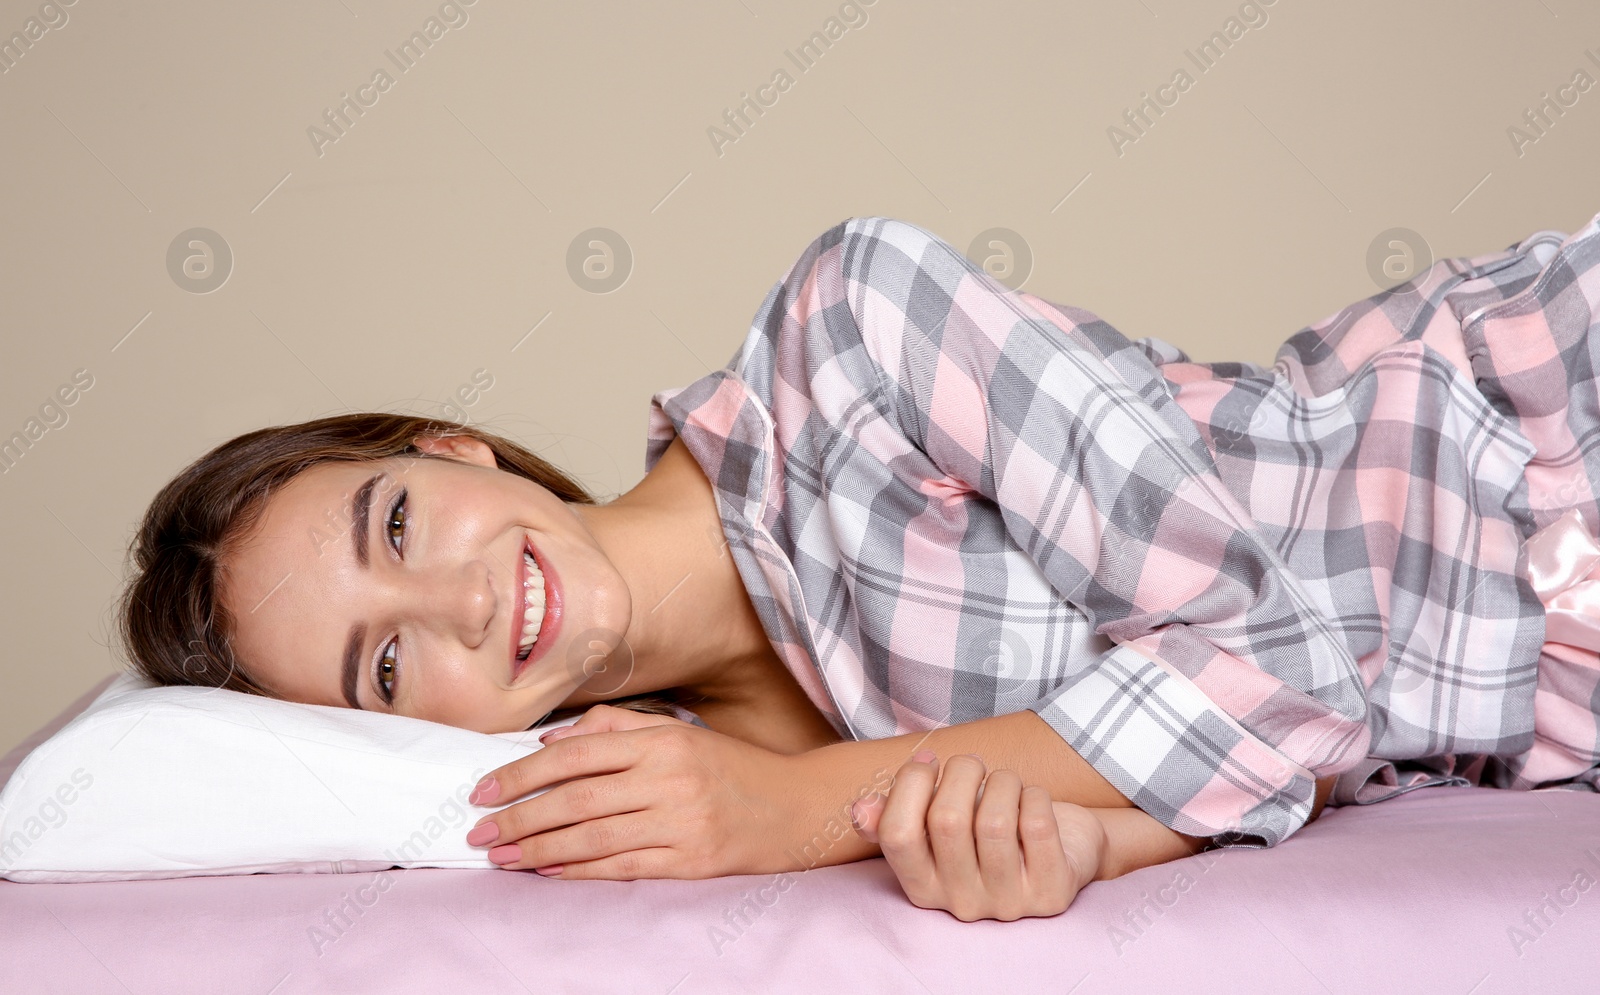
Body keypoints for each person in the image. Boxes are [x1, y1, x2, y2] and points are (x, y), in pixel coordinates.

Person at [116, 213, 1600, 922]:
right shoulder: (678, 792)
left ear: (454, 450)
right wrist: (1093, 841)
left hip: (1537, 448)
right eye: (388, 666)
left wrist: (797, 815)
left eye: (395, 526)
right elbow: (1277, 776)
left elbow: (1289, 677)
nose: (458, 604)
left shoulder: (852, 340)